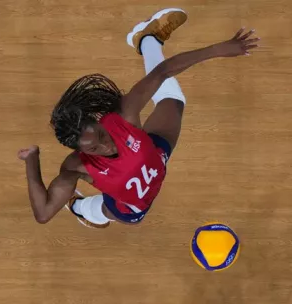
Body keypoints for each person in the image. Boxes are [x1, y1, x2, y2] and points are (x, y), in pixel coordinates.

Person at [17, 8, 260, 228]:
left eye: (101, 134)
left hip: (156, 155)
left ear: (99, 122)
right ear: (82, 152)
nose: (107, 144)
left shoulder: (123, 116)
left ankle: (147, 39)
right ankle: (81, 209)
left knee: (173, 104)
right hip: (132, 207)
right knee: (105, 209)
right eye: (94, 147)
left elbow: (163, 72)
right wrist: (32, 160)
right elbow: (43, 213)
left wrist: (219, 49)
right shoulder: (75, 166)